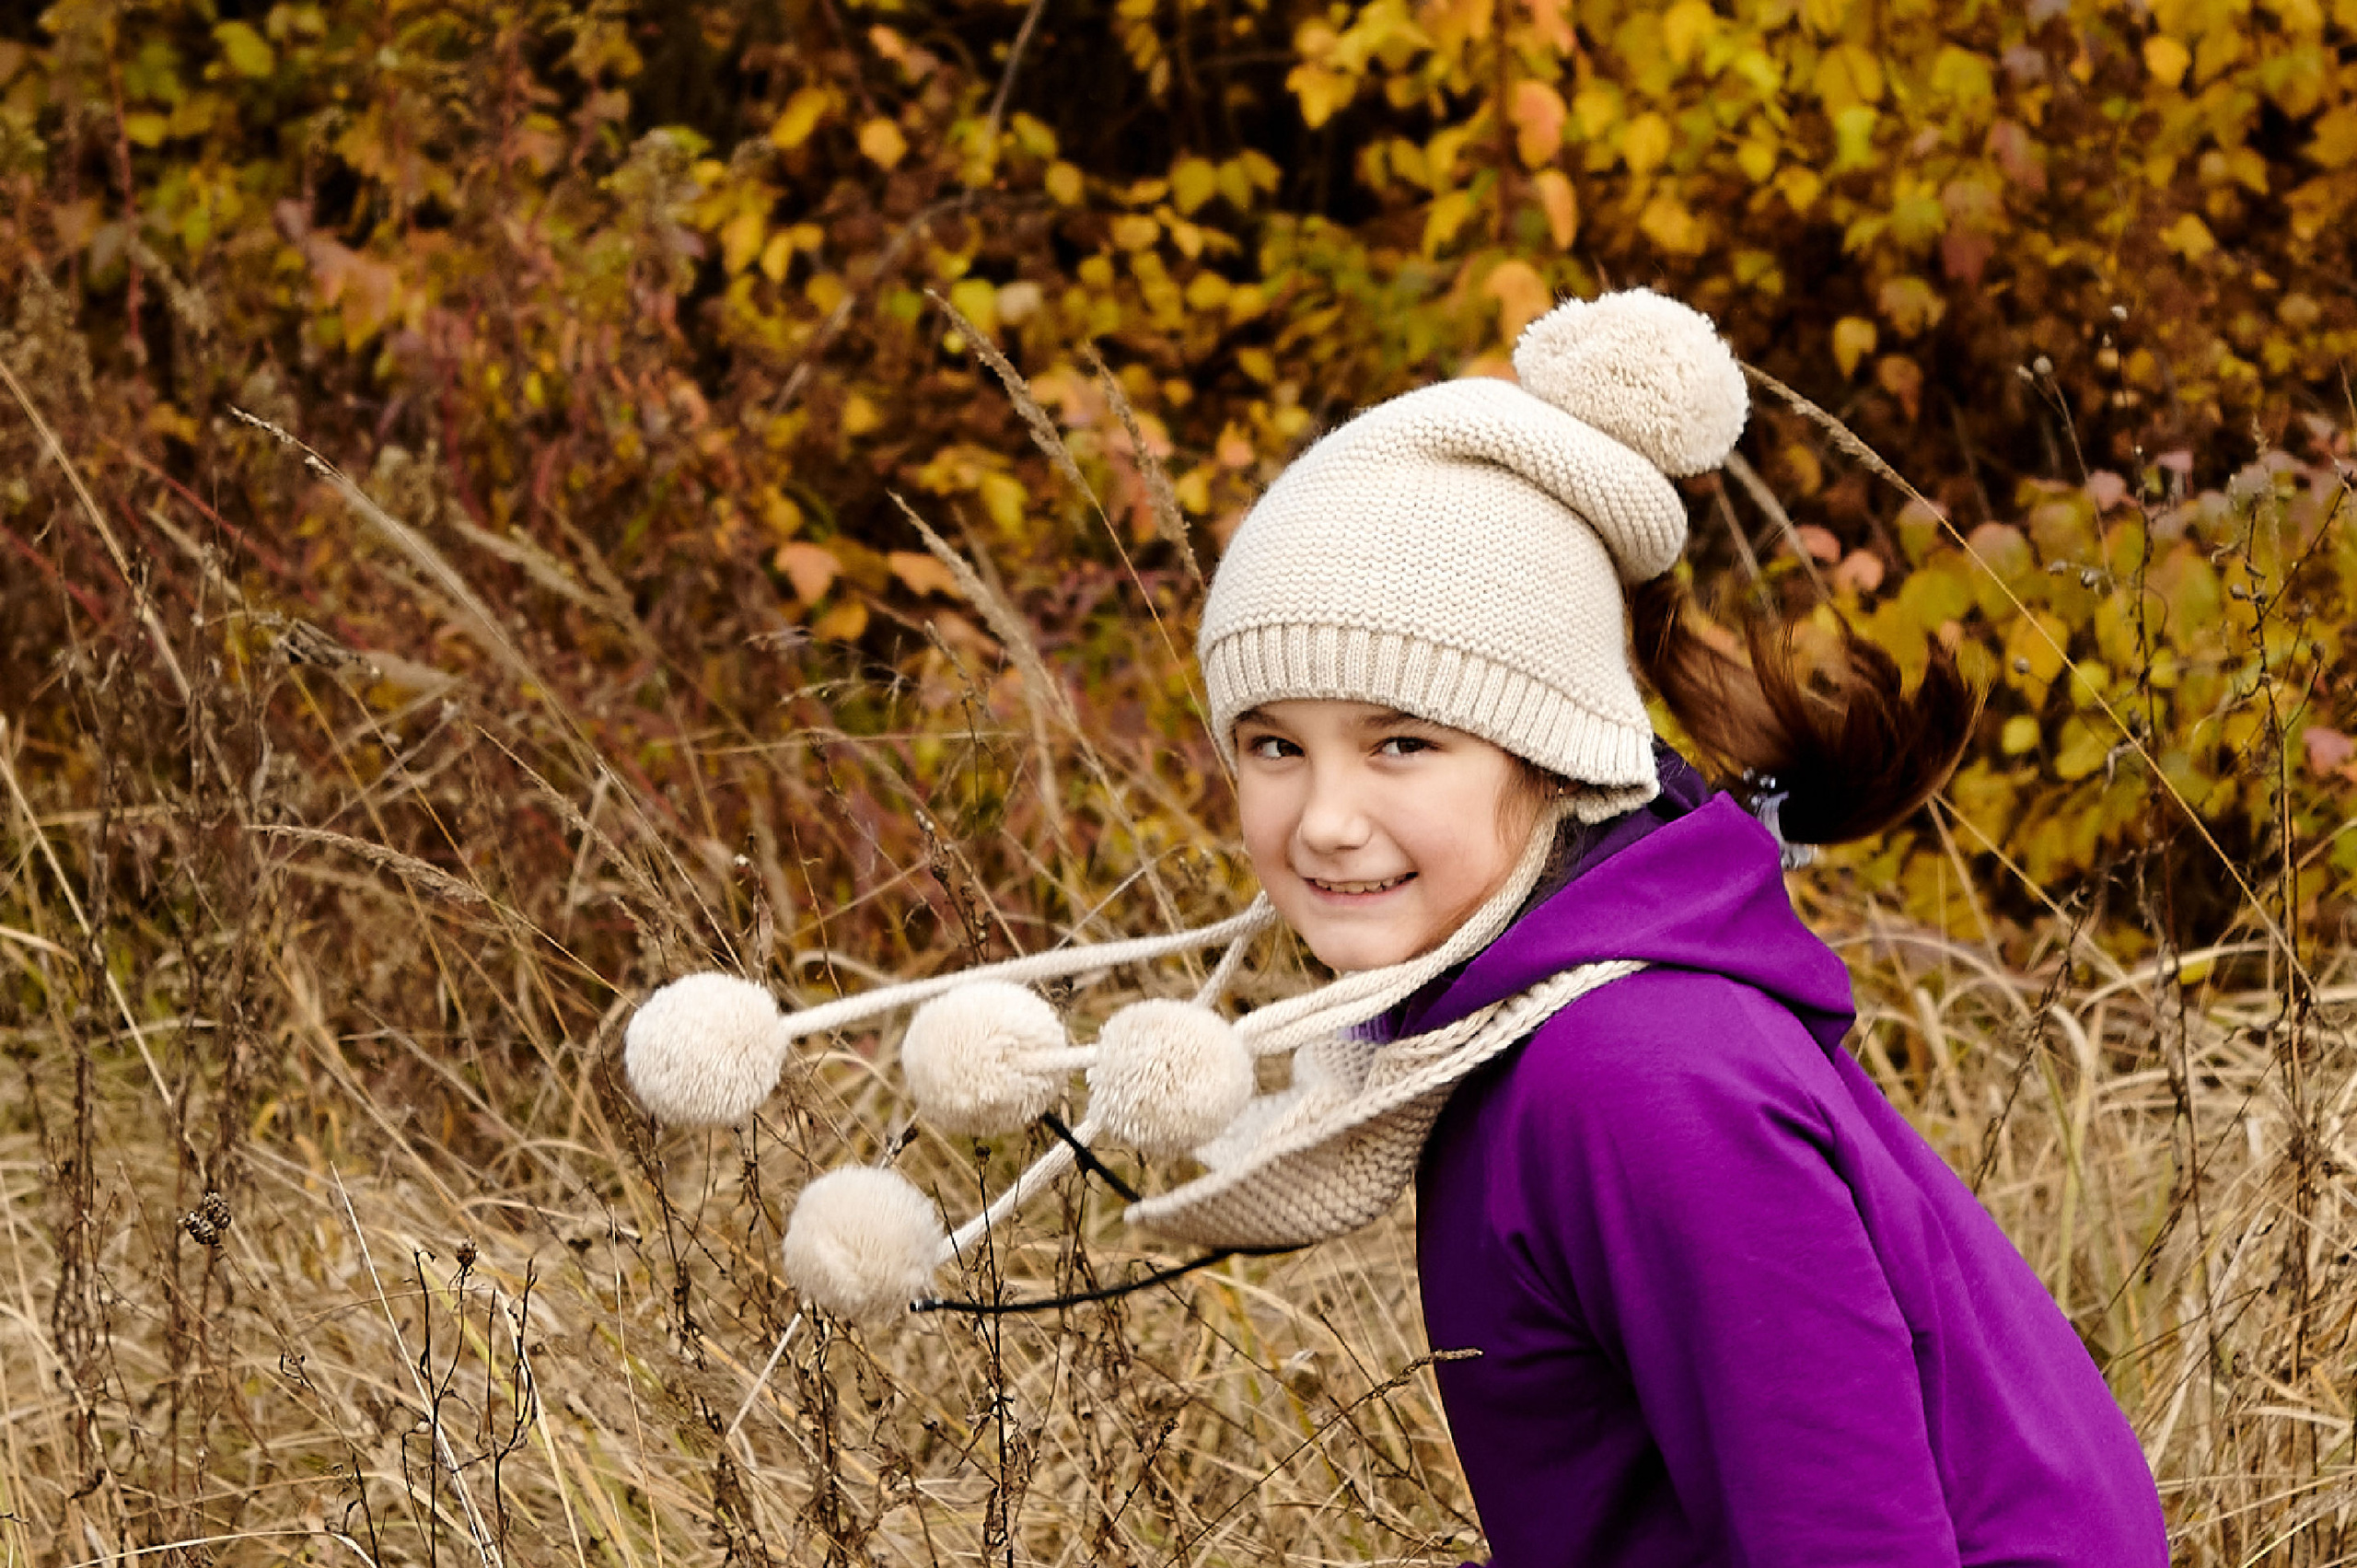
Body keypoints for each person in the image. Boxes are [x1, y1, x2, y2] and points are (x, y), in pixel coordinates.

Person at [622, 289, 2169, 1565]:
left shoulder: (1639, 1079)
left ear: (1554, 752)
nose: (1324, 820)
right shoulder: (1533, 1029)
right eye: (1274, 745)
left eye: (1403, 742)